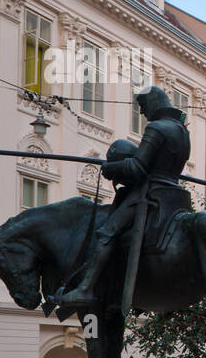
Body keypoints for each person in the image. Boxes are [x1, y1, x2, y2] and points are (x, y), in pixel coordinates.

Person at [56, 87, 191, 309]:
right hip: (175, 195)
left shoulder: (156, 128)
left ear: (154, 103)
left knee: (106, 234)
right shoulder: (182, 130)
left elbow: (137, 167)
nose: (142, 113)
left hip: (150, 193)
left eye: (144, 106)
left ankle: (86, 288)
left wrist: (110, 168)